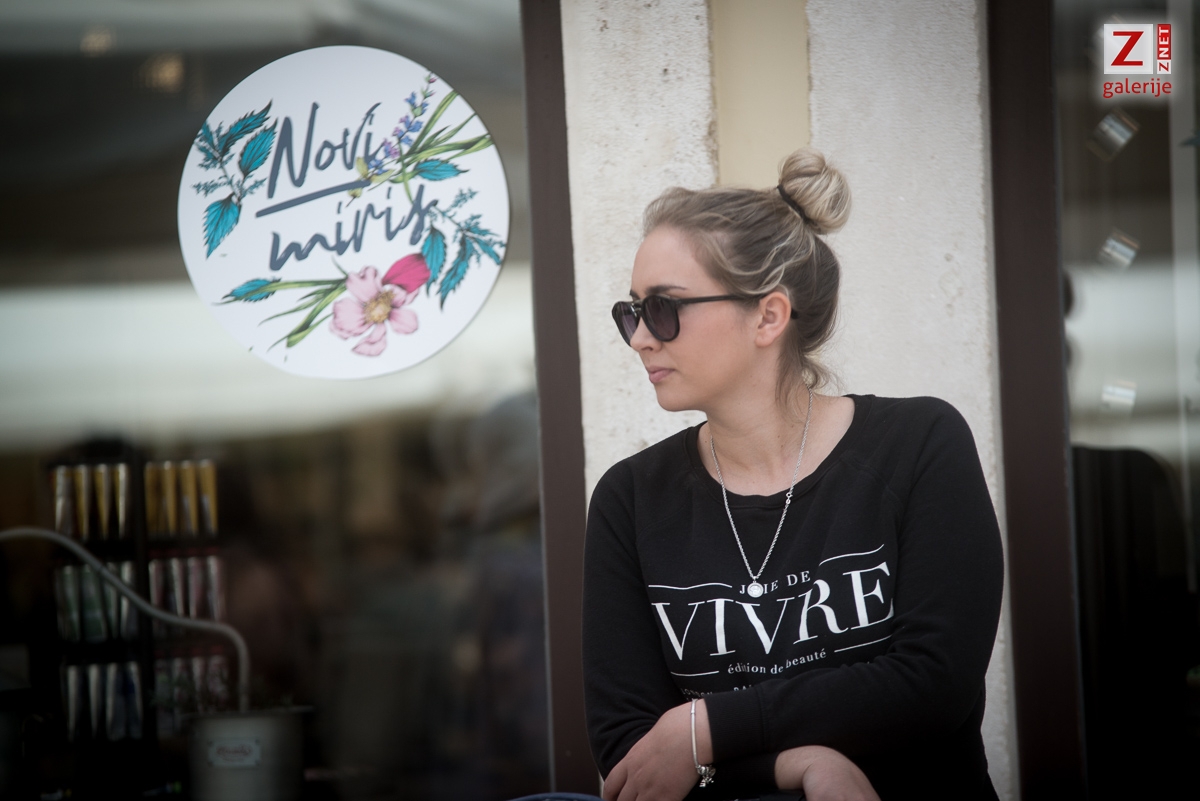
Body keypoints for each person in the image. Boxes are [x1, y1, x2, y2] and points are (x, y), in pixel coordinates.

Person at [582, 148, 1004, 801]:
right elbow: (634, 758)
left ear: (769, 316)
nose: (640, 337)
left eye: (663, 308)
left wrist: (704, 727)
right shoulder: (630, 499)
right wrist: (799, 764)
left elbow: (933, 684)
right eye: (631, 312)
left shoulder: (919, 444)